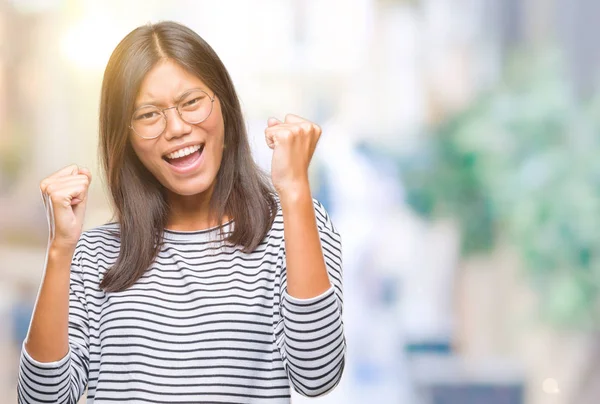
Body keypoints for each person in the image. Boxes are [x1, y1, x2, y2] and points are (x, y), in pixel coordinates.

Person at [17, 21, 345, 403]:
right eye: (148, 115)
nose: (176, 128)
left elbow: (317, 375)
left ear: (223, 103)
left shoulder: (294, 225)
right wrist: (60, 249)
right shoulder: (92, 254)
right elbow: (42, 400)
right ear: (125, 137)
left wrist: (295, 190)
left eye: (191, 102)